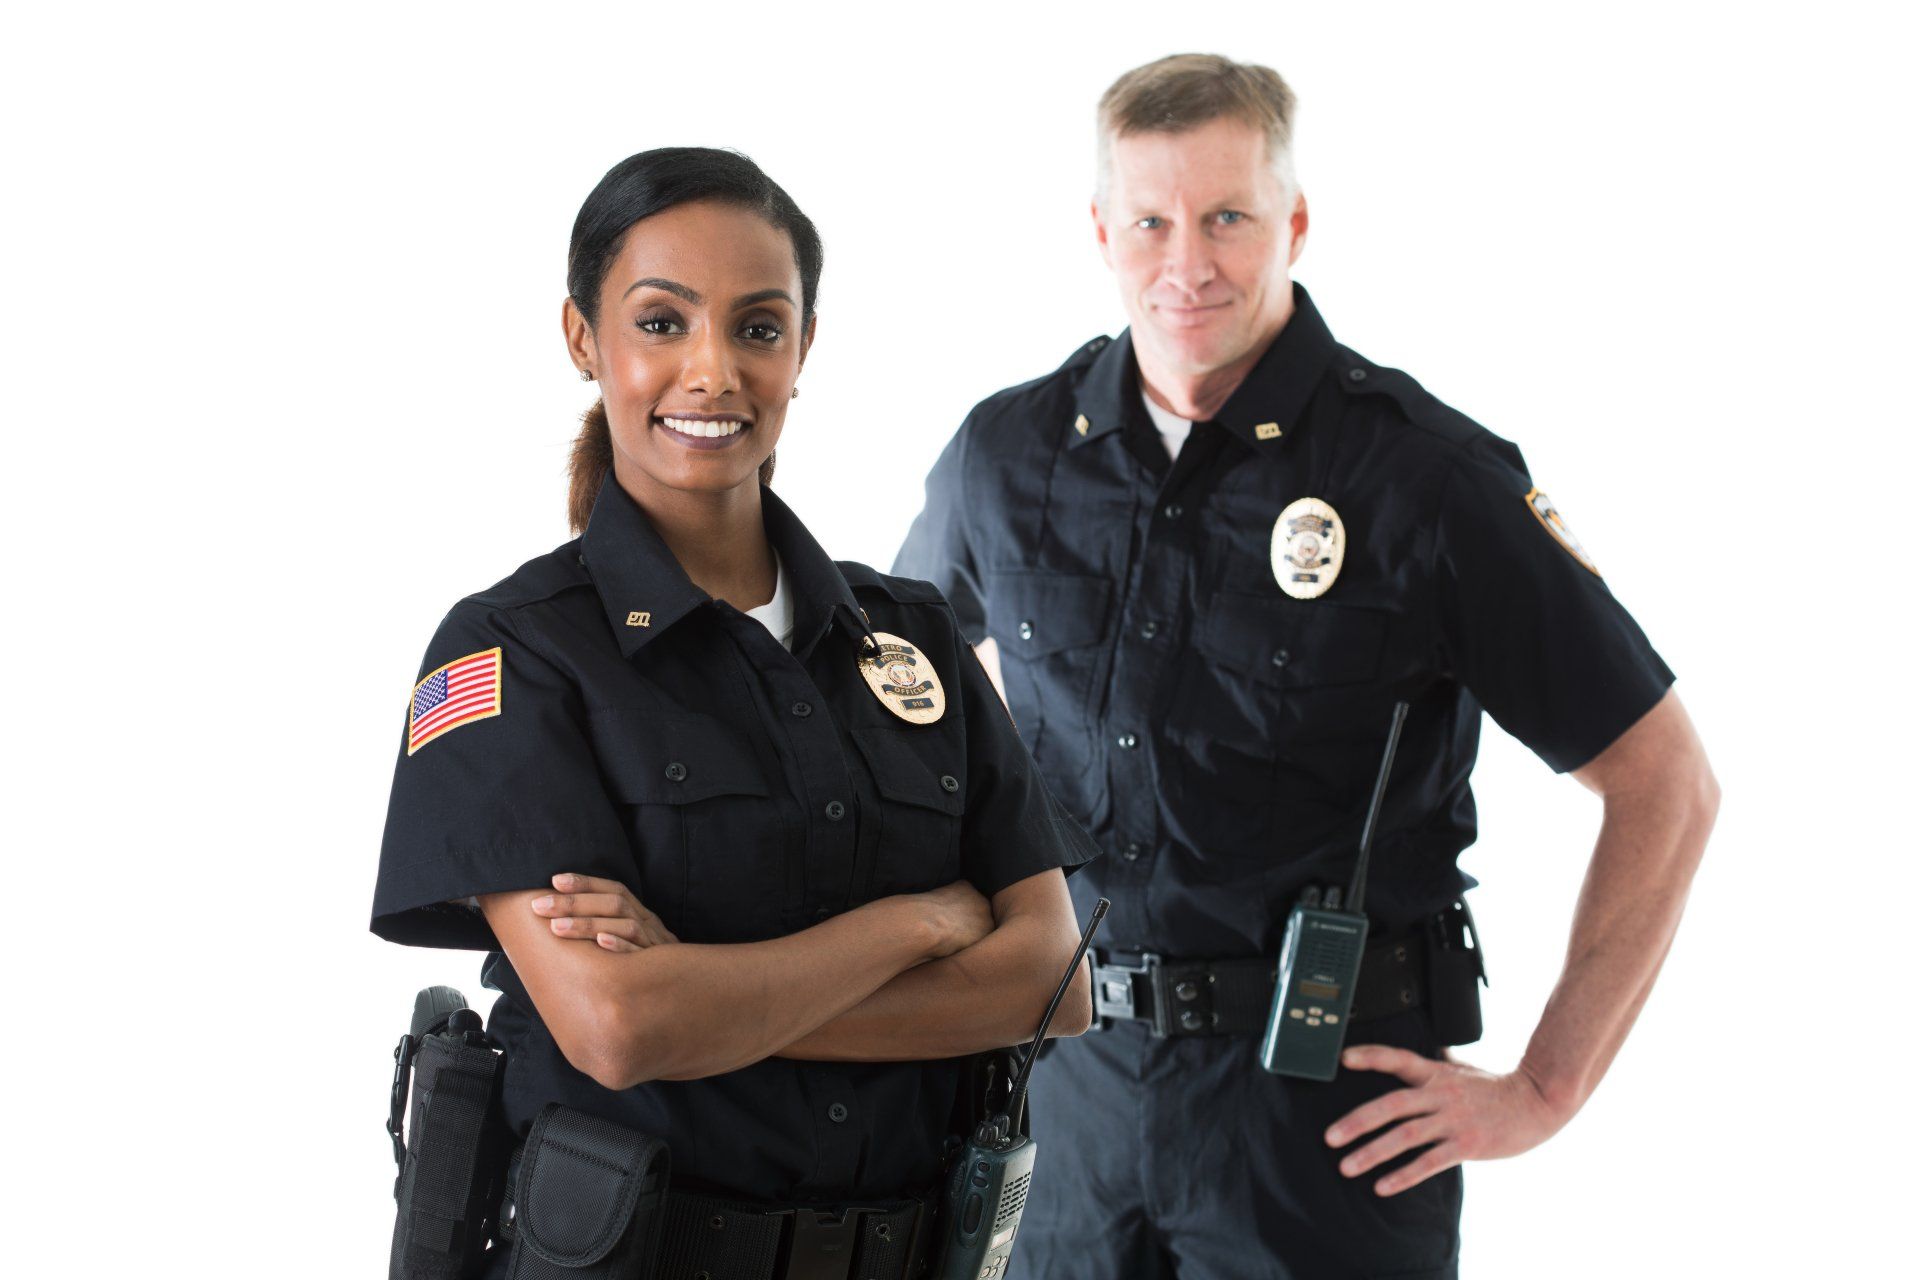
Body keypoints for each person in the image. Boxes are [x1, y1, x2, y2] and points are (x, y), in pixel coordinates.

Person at [890, 54, 1720, 1279]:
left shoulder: (1426, 481)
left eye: (1228, 217)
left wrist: (1547, 1084)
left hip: (1324, 1115)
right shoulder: (1006, 457)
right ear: (1100, 230)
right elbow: (894, 710)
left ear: (1296, 221)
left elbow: (1667, 782)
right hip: (1064, 1101)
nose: (1188, 265)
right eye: (1152, 222)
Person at [369, 146, 1098, 1280]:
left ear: (803, 348)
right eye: (662, 322)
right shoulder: (513, 653)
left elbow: (1053, 981)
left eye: (758, 328)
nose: (712, 369)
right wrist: (910, 928)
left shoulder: (915, 638)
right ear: (582, 338)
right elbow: (616, 1028)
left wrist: (707, 995)